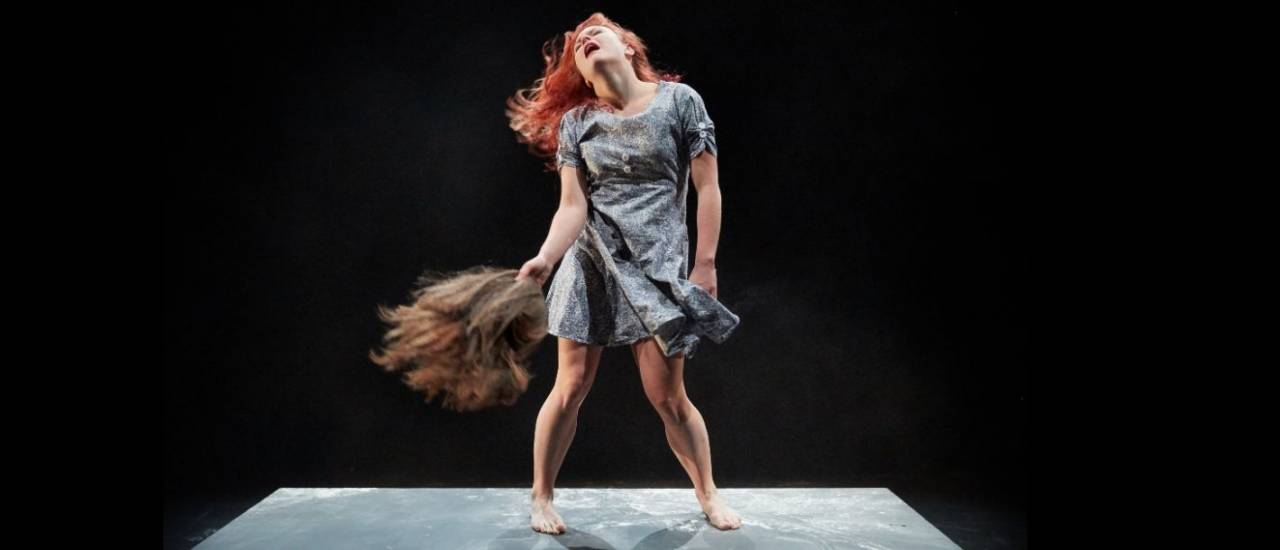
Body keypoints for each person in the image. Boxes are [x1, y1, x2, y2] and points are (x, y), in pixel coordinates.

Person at [505, 13, 743, 534]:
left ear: (630, 49)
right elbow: (572, 207)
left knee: (667, 397)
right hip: (592, 260)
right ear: (584, 76)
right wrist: (545, 258)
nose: (586, 39)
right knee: (569, 386)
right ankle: (541, 497)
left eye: (598, 31)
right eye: (577, 46)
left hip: (658, 265)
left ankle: (708, 491)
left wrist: (704, 265)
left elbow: (709, 188)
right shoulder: (577, 123)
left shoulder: (680, 103)